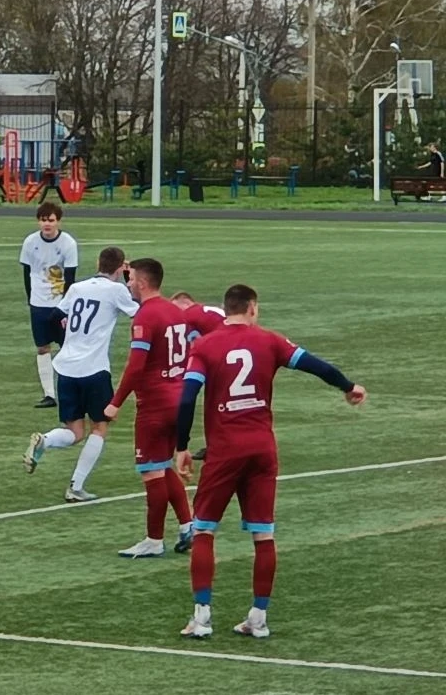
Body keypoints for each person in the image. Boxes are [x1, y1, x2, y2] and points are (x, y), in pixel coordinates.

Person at [174, 284, 366, 639]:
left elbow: (187, 399)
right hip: (262, 449)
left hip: (225, 451)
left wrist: (182, 446)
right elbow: (316, 365)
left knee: (203, 530)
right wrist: (348, 386)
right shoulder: (270, 341)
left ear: (227, 309)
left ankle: (201, 618)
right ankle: (258, 618)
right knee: (263, 534)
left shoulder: (205, 346)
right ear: (252, 308)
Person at [22, 247, 138, 502]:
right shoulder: (116, 290)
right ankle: (76, 486)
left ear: (98, 263)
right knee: (100, 427)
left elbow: (55, 316)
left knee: (74, 432)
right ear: (120, 268)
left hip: (66, 367)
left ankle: (45, 440)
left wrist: (69, 338)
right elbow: (140, 312)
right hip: (93, 369)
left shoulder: (77, 288)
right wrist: (128, 281)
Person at [104, 259, 193, 558]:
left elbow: (136, 367)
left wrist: (115, 403)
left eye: (130, 279)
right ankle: (188, 526)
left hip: (155, 405)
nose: (128, 284)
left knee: (151, 472)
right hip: (179, 399)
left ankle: (154, 540)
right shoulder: (174, 311)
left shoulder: (146, 316)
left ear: (142, 283)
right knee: (163, 465)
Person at [19, 201, 79, 408]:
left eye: (51, 220)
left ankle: (69, 392)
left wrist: (66, 305)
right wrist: (31, 299)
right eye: (43, 220)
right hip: (38, 304)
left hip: (60, 304)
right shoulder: (30, 242)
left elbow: (70, 277)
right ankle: (49, 394)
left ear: (58, 221)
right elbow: (27, 273)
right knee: (42, 347)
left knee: (67, 347)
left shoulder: (68, 243)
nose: (47, 224)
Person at [170, 292, 226, 461]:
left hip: (224, 353)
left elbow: (194, 345)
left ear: (186, 303)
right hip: (237, 348)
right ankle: (216, 443)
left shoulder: (188, 315)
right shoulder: (209, 312)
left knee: (212, 400)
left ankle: (217, 445)